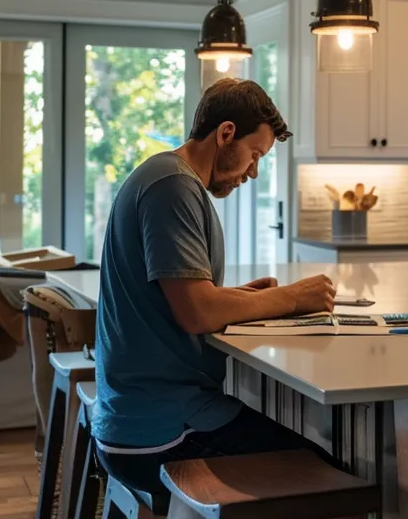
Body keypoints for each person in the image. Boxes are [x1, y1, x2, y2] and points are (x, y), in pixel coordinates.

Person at [92, 77, 338, 496]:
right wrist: (294, 297)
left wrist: (243, 298)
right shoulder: (173, 185)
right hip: (160, 429)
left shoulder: (165, 178)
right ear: (226, 134)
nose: (253, 172)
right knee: (328, 477)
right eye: (254, 154)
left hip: (136, 415)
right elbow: (197, 313)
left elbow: (178, 300)